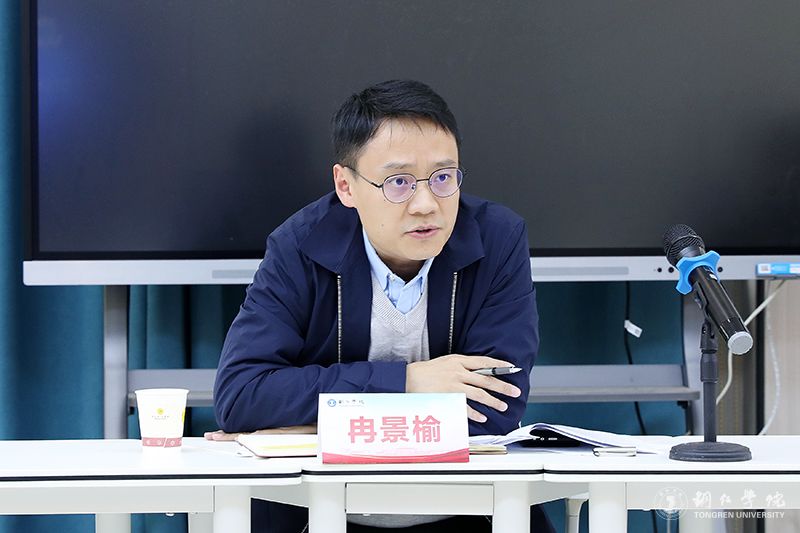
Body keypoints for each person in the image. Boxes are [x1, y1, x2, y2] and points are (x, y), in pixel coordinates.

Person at [211, 79, 553, 533]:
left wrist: (316, 426)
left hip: (469, 509)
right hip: (319, 513)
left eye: (443, 177)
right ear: (346, 186)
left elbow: (495, 412)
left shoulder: (498, 239)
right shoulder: (299, 246)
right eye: (398, 183)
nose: (426, 204)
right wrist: (408, 382)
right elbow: (242, 396)